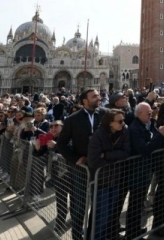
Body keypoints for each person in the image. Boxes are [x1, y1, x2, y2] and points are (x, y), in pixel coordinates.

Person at [57, 88, 102, 240]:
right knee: (80, 204)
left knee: (98, 204)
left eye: (98, 95)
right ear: (85, 100)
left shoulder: (104, 114)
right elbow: (61, 144)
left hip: (101, 167)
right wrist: (75, 159)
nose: (98, 98)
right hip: (80, 169)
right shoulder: (72, 119)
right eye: (94, 96)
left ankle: (93, 234)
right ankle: (77, 234)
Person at [125, 102, 164, 239]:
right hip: (137, 170)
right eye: (148, 113)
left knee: (139, 203)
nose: (151, 114)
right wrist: (161, 135)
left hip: (147, 168)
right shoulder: (134, 128)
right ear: (139, 114)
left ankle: (136, 229)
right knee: (135, 203)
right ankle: (132, 232)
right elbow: (144, 149)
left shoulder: (148, 124)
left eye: (151, 112)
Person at [87, 109, 130, 240]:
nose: (123, 123)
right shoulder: (98, 135)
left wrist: (106, 155)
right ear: (110, 123)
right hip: (101, 181)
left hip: (115, 179)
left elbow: (126, 153)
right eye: (120, 121)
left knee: (109, 214)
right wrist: (114, 159)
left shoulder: (124, 131)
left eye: (123, 120)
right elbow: (93, 160)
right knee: (100, 216)